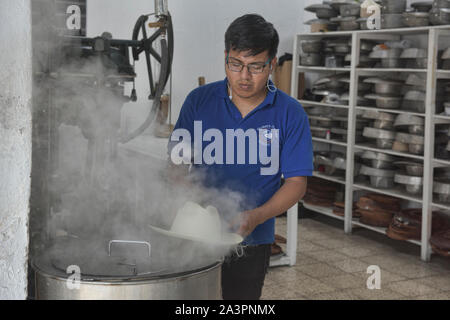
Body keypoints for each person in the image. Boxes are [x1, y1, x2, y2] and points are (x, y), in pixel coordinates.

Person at [167, 14, 313, 300]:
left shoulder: (290, 113)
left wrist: (256, 216)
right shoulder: (199, 101)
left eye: (255, 66)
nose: (244, 76)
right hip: (195, 233)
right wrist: (188, 197)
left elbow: (297, 182)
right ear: (225, 57)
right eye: (235, 64)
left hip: (252, 237)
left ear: (272, 64)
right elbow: (176, 164)